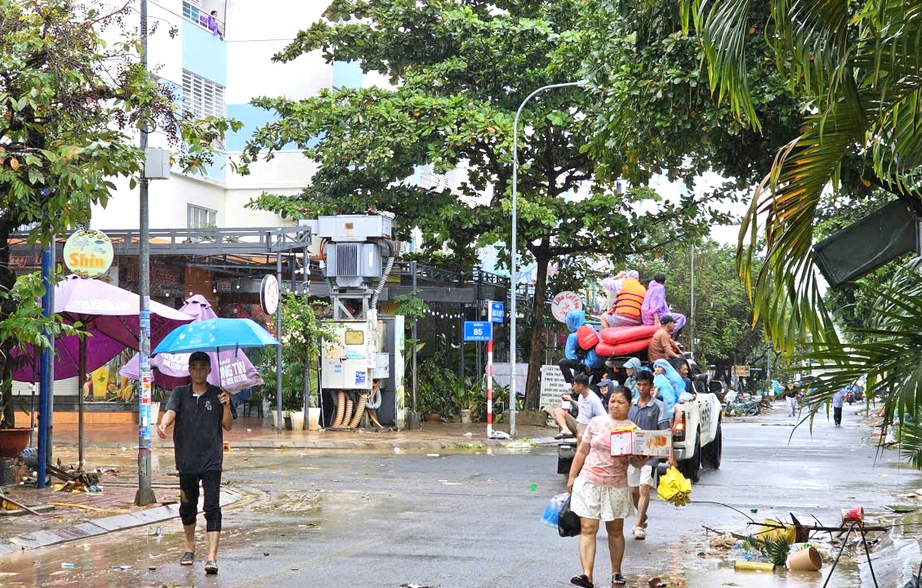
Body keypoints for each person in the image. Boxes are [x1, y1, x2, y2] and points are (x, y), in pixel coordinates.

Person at [158, 352, 236, 575]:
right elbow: (171, 411)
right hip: (186, 460)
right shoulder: (180, 393)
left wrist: (226, 405)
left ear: (209, 370)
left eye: (203, 367)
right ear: (189, 370)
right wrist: (163, 424)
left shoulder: (219, 394)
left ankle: (211, 557)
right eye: (194, 367)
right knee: (187, 506)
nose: (199, 371)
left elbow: (228, 426)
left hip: (212, 460)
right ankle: (190, 548)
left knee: (212, 506)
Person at [566, 386, 645, 587]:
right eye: (612, 401)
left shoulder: (634, 431)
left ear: (629, 405)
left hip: (616, 485)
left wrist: (643, 459)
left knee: (615, 530)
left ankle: (616, 572)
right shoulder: (596, 422)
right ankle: (587, 575)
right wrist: (572, 476)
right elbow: (582, 451)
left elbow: (636, 463)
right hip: (589, 481)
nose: (615, 405)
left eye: (620, 402)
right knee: (588, 528)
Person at [627, 371, 676, 540]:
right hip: (633, 456)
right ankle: (643, 516)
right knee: (633, 490)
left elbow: (665, 432)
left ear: (651, 386)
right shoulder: (631, 405)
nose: (641, 388)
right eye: (639, 385)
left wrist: (671, 455)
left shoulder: (658, 406)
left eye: (645, 385)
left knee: (644, 487)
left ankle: (638, 525)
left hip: (651, 456)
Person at [554, 373, 607, 440]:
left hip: (586, 427)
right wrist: (570, 400)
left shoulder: (594, 400)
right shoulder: (581, 395)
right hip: (577, 423)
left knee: (580, 433)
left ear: (580, 386)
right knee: (557, 411)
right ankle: (566, 430)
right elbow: (580, 406)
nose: (573, 387)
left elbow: (604, 418)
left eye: (575, 385)